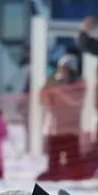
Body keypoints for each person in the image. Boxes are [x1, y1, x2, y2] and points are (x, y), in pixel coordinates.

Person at [39, 53, 86, 181]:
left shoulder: (79, 83)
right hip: (55, 127)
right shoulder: (55, 81)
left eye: (65, 68)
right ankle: (54, 173)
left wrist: (59, 88)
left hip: (71, 128)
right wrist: (45, 89)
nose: (62, 71)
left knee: (73, 158)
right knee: (54, 157)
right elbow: (45, 103)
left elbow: (75, 100)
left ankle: (76, 175)